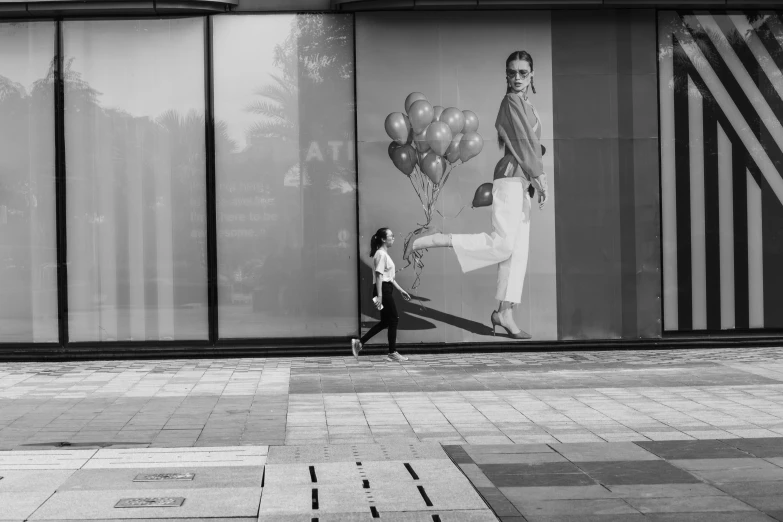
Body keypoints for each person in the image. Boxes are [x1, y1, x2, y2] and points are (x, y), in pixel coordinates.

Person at [403, 50, 548, 340]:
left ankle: (505, 312)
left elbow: (532, 144)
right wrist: (539, 175)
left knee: (517, 254)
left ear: (532, 75)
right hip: (510, 179)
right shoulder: (510, 102)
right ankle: (431, 238)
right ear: (506, 75)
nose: (517, 77)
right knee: (504, 246)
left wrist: (535, 179)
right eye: (512, 72)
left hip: (523, 183)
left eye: (523, 72)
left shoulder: (527, 104)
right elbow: (522, 142)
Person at [352, 228, 412, 362]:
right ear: (383, 239)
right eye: (391, 236)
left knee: (386, 321)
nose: (393, 238)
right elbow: (379, 276)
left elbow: (388, 277)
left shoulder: (383, 254)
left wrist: (401, 290)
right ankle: (392, 352)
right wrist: (379, 296)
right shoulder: (381, 254)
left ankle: (359, 343)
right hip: (382, 291)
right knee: (394, 319)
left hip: (384, 289)